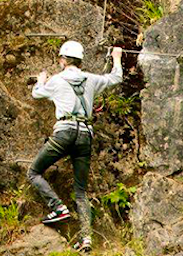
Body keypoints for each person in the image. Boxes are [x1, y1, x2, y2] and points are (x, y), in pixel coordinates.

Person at [28, 41, 124, 254]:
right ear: (80, 61)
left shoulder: (56, 80)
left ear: (62, 61)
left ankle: (58, 208)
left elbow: (37, 93)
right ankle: (86, 239)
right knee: (80, 191)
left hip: (65, 131)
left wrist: (41, 80)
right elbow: (116, 77)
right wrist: (117, 57)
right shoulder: (91, 79)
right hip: (85, 135)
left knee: (34, 172)